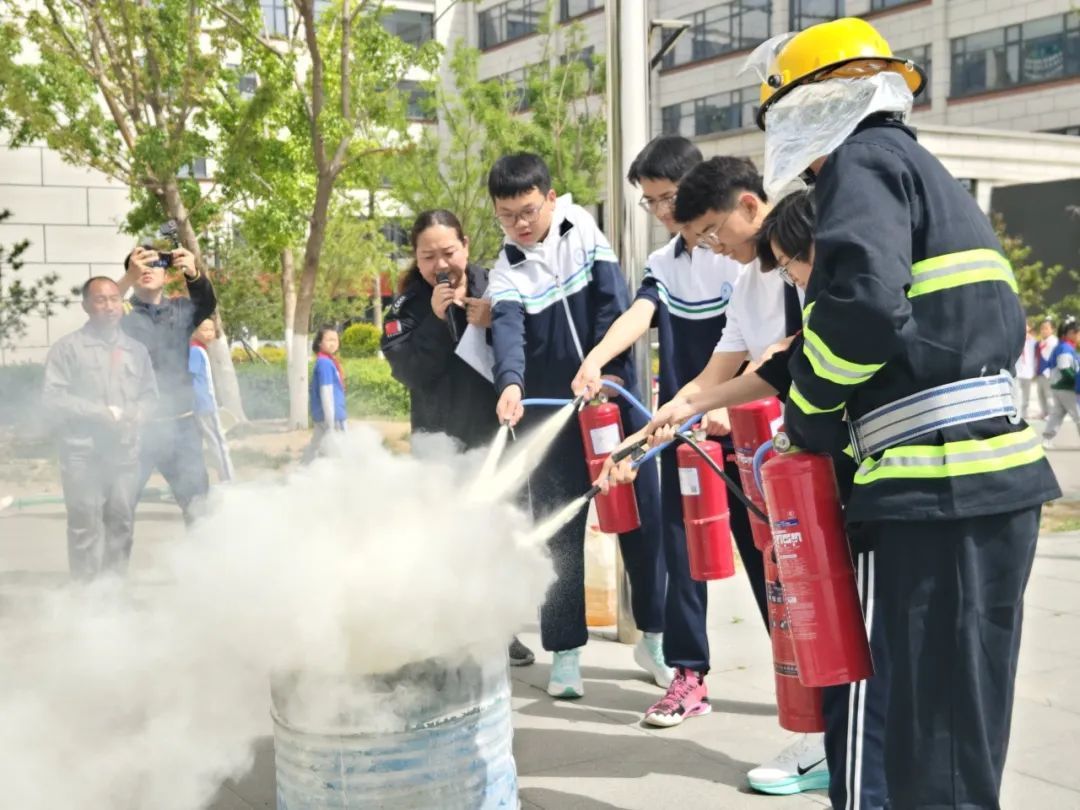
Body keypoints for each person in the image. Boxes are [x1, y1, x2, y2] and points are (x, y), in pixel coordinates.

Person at [741, 18, 1060, 809]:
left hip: (927, 495)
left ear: (814, 106)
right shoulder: (927, 175)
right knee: (959, 734)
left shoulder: (861, 163)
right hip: (993, 492)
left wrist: (807, 412)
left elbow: (864, 310)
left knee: (905, 734)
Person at [606, 188, 832, 797]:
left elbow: (782, 366)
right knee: (795, 601)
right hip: (776, 465)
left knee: (814, 601)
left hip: (815, 464)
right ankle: (826, 741)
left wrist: (714, 406)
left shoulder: (798, 260)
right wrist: (654, 429)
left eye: (711, 228)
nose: (711, 244)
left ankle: (836, 739)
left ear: (749, 204)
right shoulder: (749, 281)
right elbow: (714, 377)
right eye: (699, 235)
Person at [572, 140, 761, 730]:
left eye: (667, 198)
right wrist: (596, 358)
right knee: (682, 552)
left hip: (748, 428)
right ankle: (688, 675)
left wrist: (730, 406)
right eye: (649, 202)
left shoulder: (739, 256)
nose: (659, 211)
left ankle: (805, 674)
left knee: (767, 555)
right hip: (686, 429)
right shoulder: (666, 262)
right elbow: (641, 313)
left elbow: (763, 341)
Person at [488, 153, 668, 699]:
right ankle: (565, 653)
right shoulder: (505, 270)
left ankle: (655, 637)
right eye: (506, 215)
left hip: (609, 405)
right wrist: (512, 384)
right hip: (551, 417)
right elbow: (508, 332)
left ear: (548, 196)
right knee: (560, 535)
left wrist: (606, 373)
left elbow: (613, 306)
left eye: (527, 210)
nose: (519, 223)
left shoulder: (581, 231)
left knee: (639, 520)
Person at [381, 208, 536, 667]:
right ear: (415, 259)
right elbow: (406, 370)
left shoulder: (498, 287)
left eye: (448, 252)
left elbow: (525, 345)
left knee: (497, 538)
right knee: (446, 541)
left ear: (466, 246)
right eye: (428, 257)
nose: (440, 264)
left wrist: (493, 323)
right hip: (439, 445)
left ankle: (500, 631)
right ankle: (450, 632)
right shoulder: (406, 307)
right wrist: (432, 320)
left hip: (495, 438)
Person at [43, 277, 157, 579]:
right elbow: (53, 397)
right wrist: (98, 413)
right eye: (100, 300)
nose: (109, 306)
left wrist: (138, 414)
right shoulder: (67, 349)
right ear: (86, 306)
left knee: (121, 523)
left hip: (123, 452)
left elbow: (150, 396)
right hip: (82, 453)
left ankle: (113, 594)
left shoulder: (136, 350)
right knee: (85, 525)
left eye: (114, 299)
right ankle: (87, 600)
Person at [120, 244, 216, 524]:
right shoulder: (121, 313)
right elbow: (102, 306)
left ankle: (199, 566)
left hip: (180, 427)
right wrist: (127, 278)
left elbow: (206, 304)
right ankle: (109, 569)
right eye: (140, 265)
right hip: (136, 428)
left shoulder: (180, 309)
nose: (147, 270)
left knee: (198, 506)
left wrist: (193, 272)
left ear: (166, 273)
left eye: (155, 264)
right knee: (119, 508)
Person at [189, 318, 234, 483]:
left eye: (211, 330)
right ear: (194, 331)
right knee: (219, 443)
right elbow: (192, 378)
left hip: (204, 404)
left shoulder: (200, 350)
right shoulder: (195, 351)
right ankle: (228, 480)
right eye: (204, 329)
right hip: (205, 406)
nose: (209, 333)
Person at [302, 327, 347, 463]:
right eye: (329, 340)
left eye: (335, 340)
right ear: (319, 343)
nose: (333, 343)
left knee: (316, 448)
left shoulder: (325, 361)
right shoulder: (325, 363)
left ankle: (302, 474)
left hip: (322, 416)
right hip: (331, 417)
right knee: (339, 452)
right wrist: (331, 422)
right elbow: (326, 393)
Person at [1042, 318, 1079, 448]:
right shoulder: (1065, 348)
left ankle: (1047, 439)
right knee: (1078, 414)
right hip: (1066, 387)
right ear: (1070, 333)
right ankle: (1047, 438)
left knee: (1057, 414)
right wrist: (1076, 381)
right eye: (1078, 333)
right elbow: (1065, 368)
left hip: (1058, 387)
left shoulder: (1064, 347)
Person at [1036, 317, 1059, 419]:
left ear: (1052, 329)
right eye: (1042, 328)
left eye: (1046, 328)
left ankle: (1052, 414)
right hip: (1040, 372)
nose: (1043, 330)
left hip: (1049, 373)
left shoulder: (1054, 342)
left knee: (1049, 395)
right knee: (1041, 394)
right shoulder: (1041, 342)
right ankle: (1044, 412)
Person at [1015, 321, 1038, 420]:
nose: (1026, 333)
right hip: (1017, 372)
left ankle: (1024, 413)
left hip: (1028, 372)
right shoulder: (1016, 341)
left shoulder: (1033, 342)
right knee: (1015, 394)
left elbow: (1036, 356)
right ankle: (1016, 413)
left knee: (1026, 396)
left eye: (1027, 330)